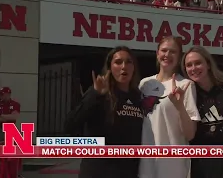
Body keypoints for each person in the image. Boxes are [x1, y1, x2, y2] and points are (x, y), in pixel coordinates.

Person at [74, 46, 144, 178]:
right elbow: (71, 123)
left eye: (129, 62)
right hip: (98, 172)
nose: (124, 66)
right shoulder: (100, 93)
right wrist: (94, 95)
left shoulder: (138, 97)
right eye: (118, 62)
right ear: (110, 67)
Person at [139, 36, 200, 178]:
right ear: (157, 53)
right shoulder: (144, 84)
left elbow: (190, 134)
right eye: (164, 50)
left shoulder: (185, 85)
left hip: (172, 165)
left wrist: (179, 106)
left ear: (179, 57)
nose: (167, 55)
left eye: (173, 52)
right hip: (145, 163)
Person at [180, 46, 223, 178]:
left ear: (208, 64)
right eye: (189, 65)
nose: (194, 68)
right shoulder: (189, 94)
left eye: (198, 63)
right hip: (200, 166)